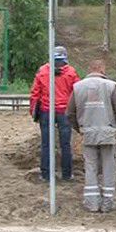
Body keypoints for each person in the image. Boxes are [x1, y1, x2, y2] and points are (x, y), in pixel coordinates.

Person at [68, 59, 116, 213]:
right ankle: (107, 203)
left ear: (90, 69)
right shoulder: (110, 86)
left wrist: (79, 128)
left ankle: (92, 203)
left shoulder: (78, 87)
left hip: (88, 133)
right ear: (102, 70)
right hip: (107, 133)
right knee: (109, 167)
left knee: (90, 167)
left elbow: (70, 113)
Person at [29, 46, 81, 182]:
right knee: (65, 144)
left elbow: (35, 93)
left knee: (46, 143)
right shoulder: (71, 72)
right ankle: (67, 174)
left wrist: (33, 111)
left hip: (46, 111)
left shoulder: (42, 71)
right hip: (64, 112)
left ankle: (45, 174)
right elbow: (77, 92)